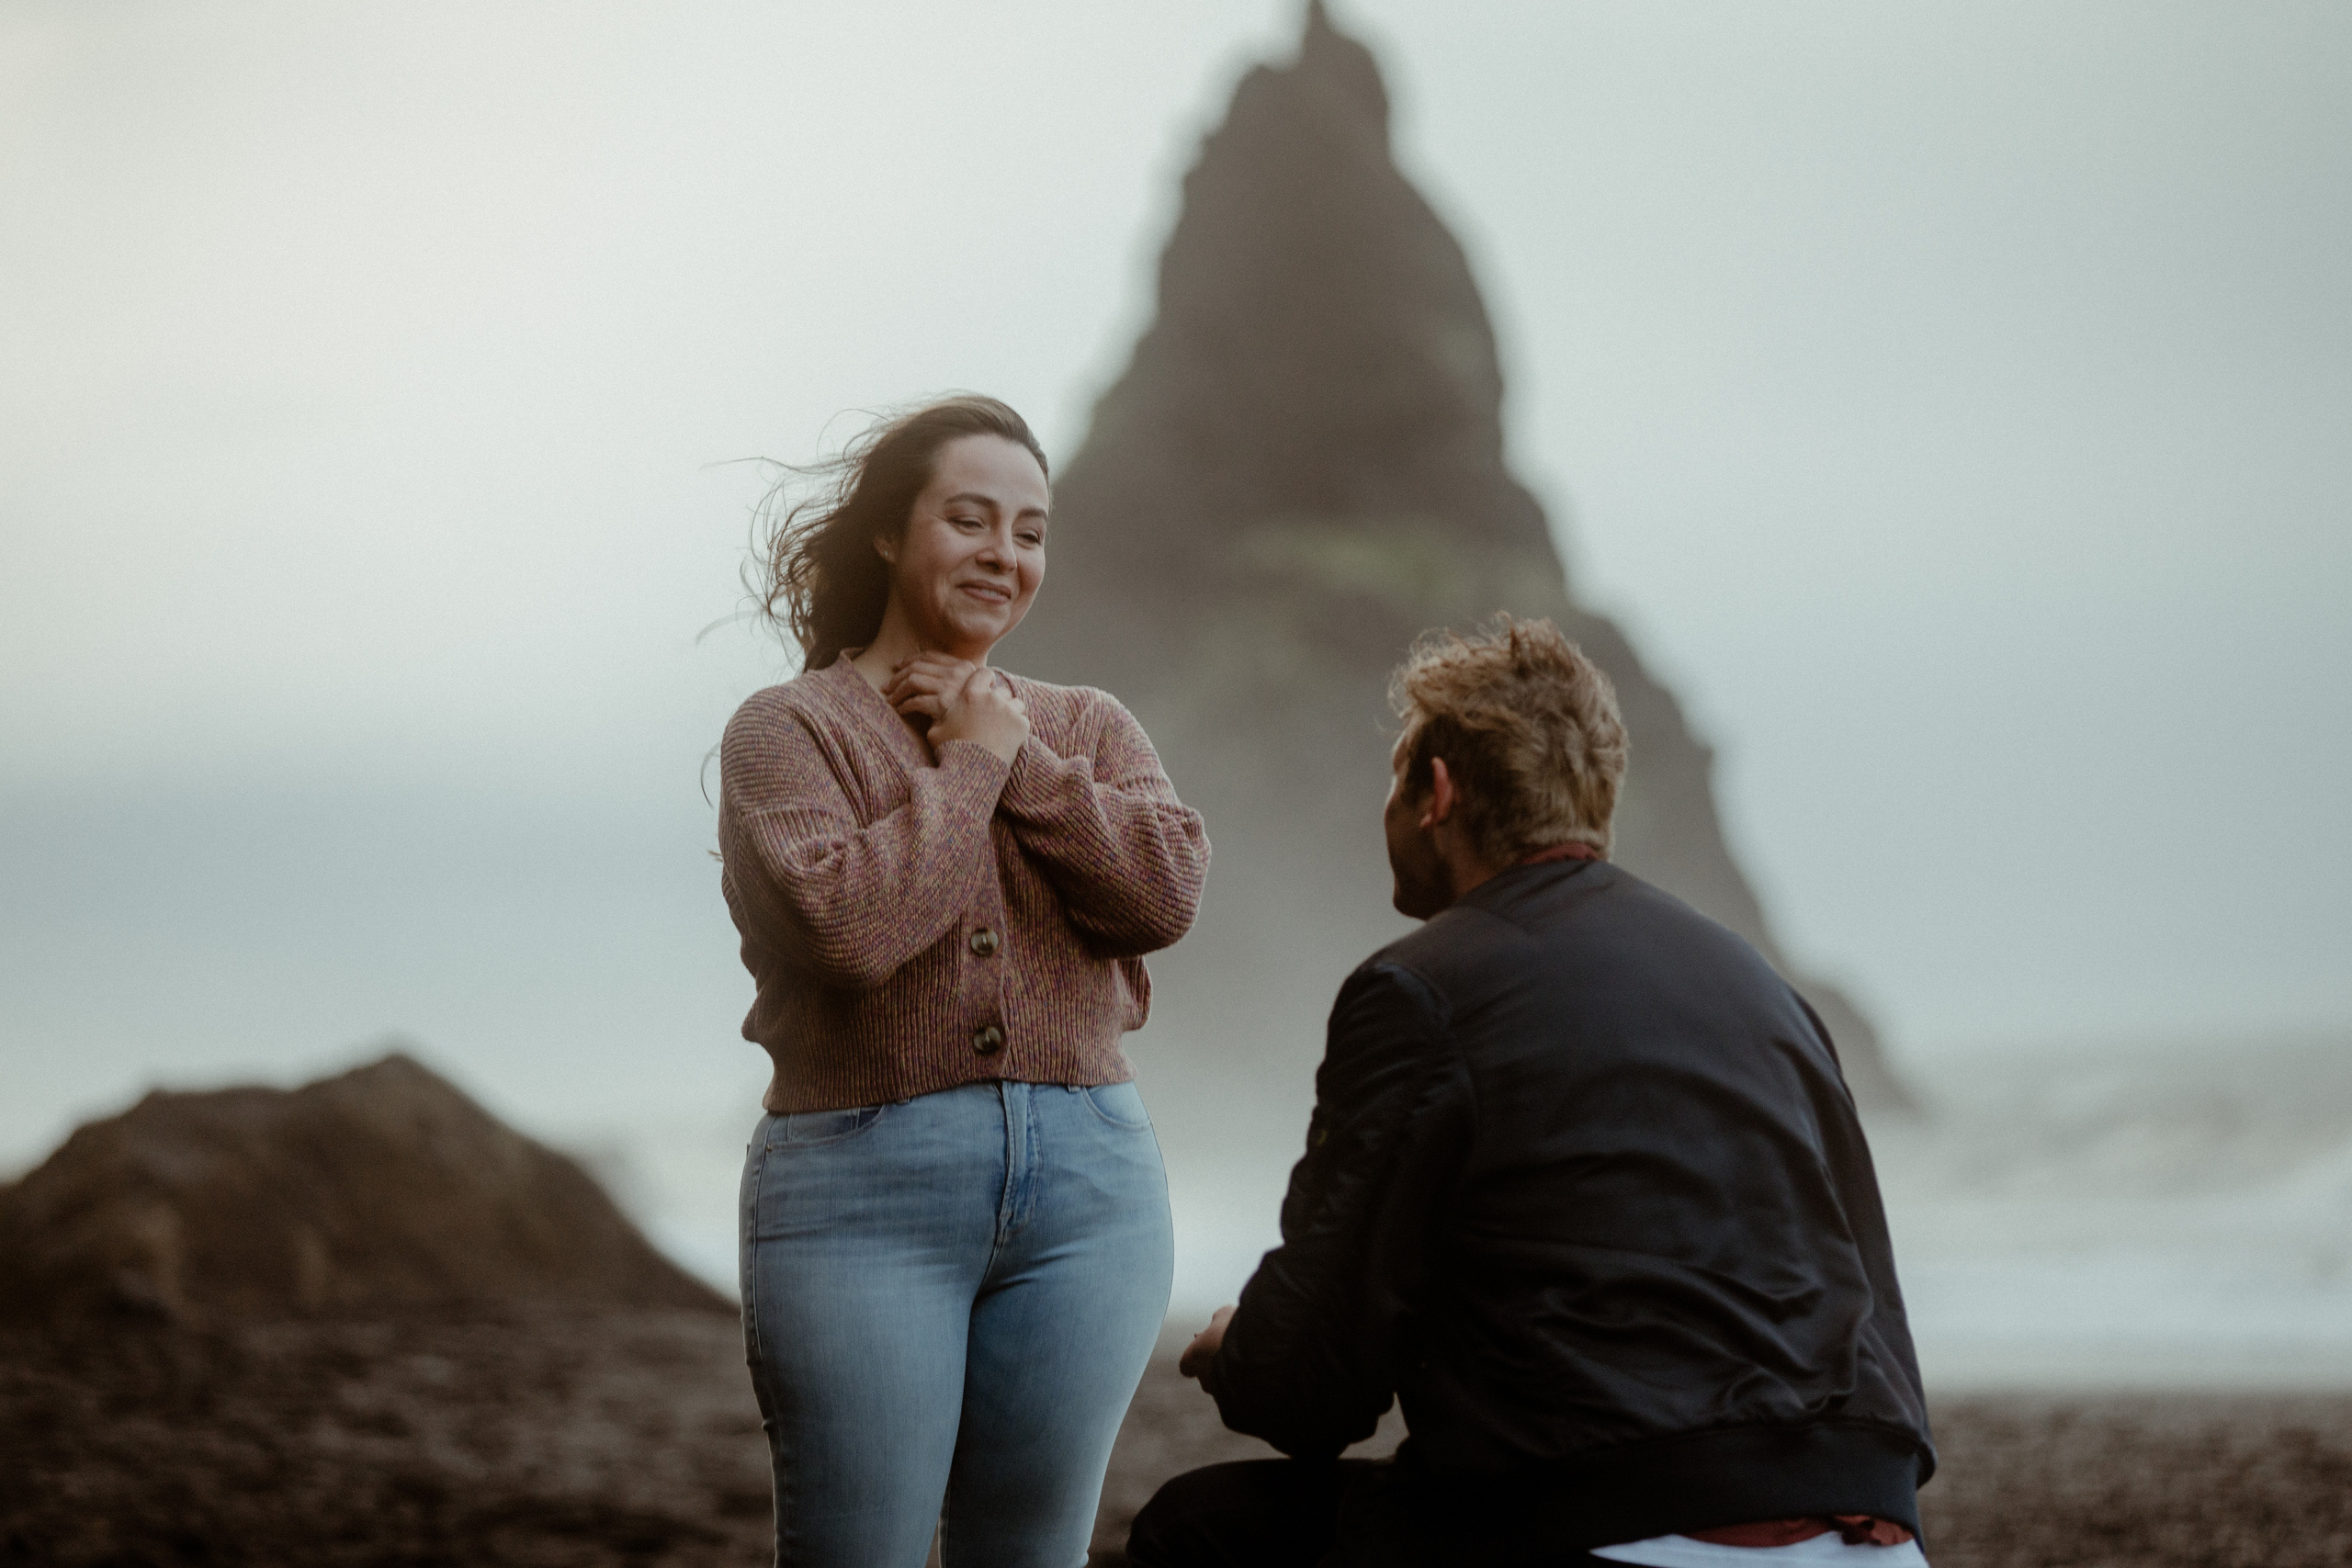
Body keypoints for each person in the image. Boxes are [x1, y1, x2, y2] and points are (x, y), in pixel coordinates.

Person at [1128, 615, 1934, 1567]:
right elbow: (1866, 1293)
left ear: (1435, 792)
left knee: (1196, 1530)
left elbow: (1313, 1391)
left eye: (1393, 780)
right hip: (1867, 1528)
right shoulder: (1762, 989)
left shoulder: (1422, 989)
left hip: (1621, 1523)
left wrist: (1242, 1354)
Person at [718, 395, 1209, 1567]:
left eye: (1029, 532)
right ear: (891, 532)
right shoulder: (785, 734)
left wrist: (1020, 758)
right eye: (971, 519)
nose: (1005, 555)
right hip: (855, 1192)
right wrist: (967, 769)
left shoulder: (1085, 726)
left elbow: (1163, 896)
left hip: (1092, 1199)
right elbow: (851, 929)